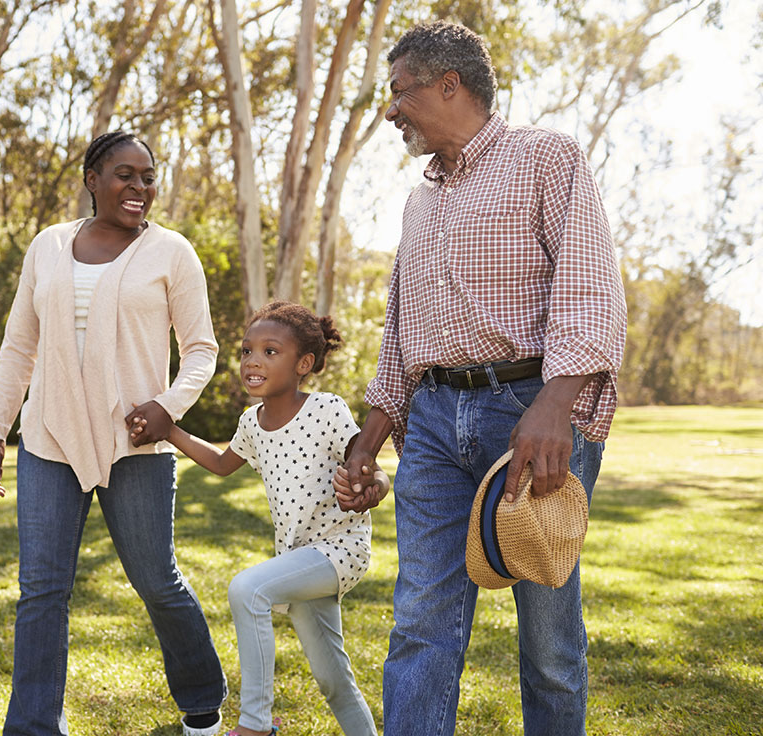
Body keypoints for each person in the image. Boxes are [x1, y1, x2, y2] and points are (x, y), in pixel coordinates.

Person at [339, 20, 628, 736]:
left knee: (548, 641)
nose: (390, 110)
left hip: (530, 412)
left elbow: (590, 286)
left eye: (399, 92)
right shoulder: (420, 197)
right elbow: (403, 327)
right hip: (434, 421)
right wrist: (372, 433)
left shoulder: (546, 157)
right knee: (420, 624)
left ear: (449, 84)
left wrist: (555, 405)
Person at [0, 130, 227, 736]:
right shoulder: (47, 246)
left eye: (148, 176)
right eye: (124, 174)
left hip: (136, 443)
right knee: (41, 590)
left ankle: (203, 700)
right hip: (49, 439)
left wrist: (167, 407)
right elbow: (19, 345)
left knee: (156, 580)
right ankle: (33, 727)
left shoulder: (173, 253)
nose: (139, 187)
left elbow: (201, 351)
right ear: (92, 179)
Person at [132, 301, 384, 736]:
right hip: (297, 558)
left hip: (339, 551)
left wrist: (375, 484)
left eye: (270, 351)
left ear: (304, 363)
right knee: (333, 681)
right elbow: (220, 462)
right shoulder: (251, 422)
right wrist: (169, 429)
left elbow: (366, 462)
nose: (253, 360)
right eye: (247, 350)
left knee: (248, 589)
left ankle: (255, 725)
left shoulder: (326, 409)